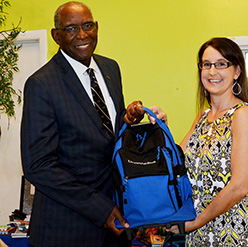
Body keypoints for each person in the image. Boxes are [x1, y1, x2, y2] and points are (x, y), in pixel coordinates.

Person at [20, 2, 165, 247]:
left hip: (116, 225)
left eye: (88, 26)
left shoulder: (110, 68)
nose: (82, 35)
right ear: (56, 36)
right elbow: (39, 165)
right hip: (66, 229)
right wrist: (100, 208)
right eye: (71, 29)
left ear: (96, 27)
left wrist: (126, 119)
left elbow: (105, 132)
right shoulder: (42, 84)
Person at [167, 37, 248, 246]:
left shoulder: (243, 115)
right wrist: (161, 127)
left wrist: (195, 222)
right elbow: (175, 163)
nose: (212, 72)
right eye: (206, 65)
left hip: (234, 235)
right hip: (199, 236)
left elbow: (239, 186)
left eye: (221, 64)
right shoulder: (202, 117)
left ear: (236, 71)